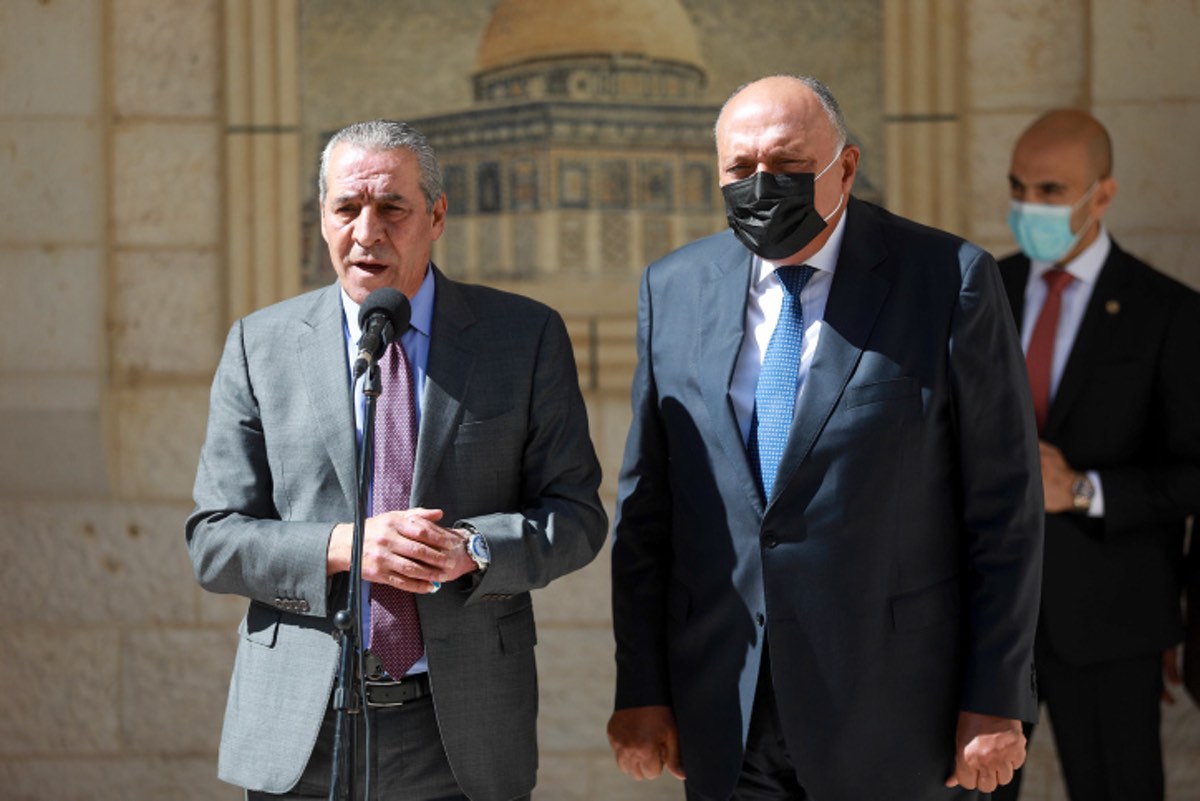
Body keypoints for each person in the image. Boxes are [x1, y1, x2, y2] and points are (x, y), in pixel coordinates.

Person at [606, 74, 1044, 801]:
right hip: (726, 711)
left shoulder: (947, 279)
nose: (761, 186)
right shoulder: (673, 288)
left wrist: (996, 695)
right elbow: (646, 513)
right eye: (740, 169)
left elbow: (1003, 511)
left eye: (787, 166)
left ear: (845, 165)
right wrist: (642, 685)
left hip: (894, 717)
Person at [186, 119, 607, 801]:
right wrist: (344, 545)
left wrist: (473, 546)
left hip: (457, 731)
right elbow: (213, 541)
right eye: (346, 208)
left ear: (436, 214)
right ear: (323, 218)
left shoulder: (523, 337)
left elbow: (577, 516)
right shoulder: (258, 346)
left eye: (392, 209)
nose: (366, 232)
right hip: (301, 729)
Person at [990, 109, 1200, 801]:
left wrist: (1084, 490)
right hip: (987, 615)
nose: (1029, 207)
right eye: (1019, 187)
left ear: (1101, 194)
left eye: (1050, 191)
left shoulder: (1168, 313)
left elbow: (1192, 474)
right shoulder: (982, 290)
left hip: (1112, 619)